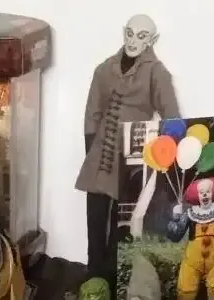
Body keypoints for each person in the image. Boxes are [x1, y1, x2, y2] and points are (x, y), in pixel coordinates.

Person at [75, 14, 179, 284]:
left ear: (152, 40)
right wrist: (91, 150)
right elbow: (92, 112)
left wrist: (160, 154)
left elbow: (172, 117)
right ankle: (93, 275)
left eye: (141, 36)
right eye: (130, 33)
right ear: (124, 32)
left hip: (131, 156)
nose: (133, 40)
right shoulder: (104, 69)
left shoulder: (156, 73)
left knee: (121, 220)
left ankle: (112, 278)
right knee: (95, 217)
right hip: (100, 155)